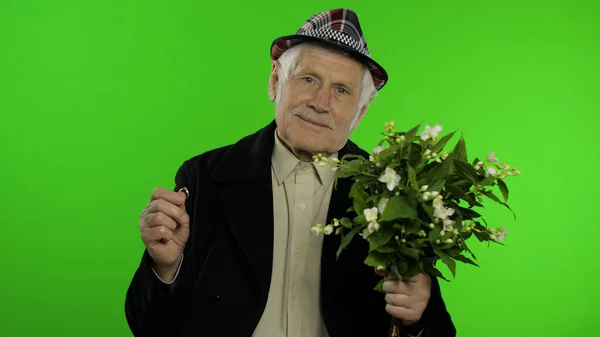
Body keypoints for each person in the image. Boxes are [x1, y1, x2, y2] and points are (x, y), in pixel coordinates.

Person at [125, 8, 456, 337]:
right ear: (274, 82)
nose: (320, 102)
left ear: (361, 111)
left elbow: (438, 331)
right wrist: (165, 269)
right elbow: (150, 328)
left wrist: (417, 317)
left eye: (341, 90)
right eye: (308, 79)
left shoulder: (394, 194)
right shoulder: (203, 177)